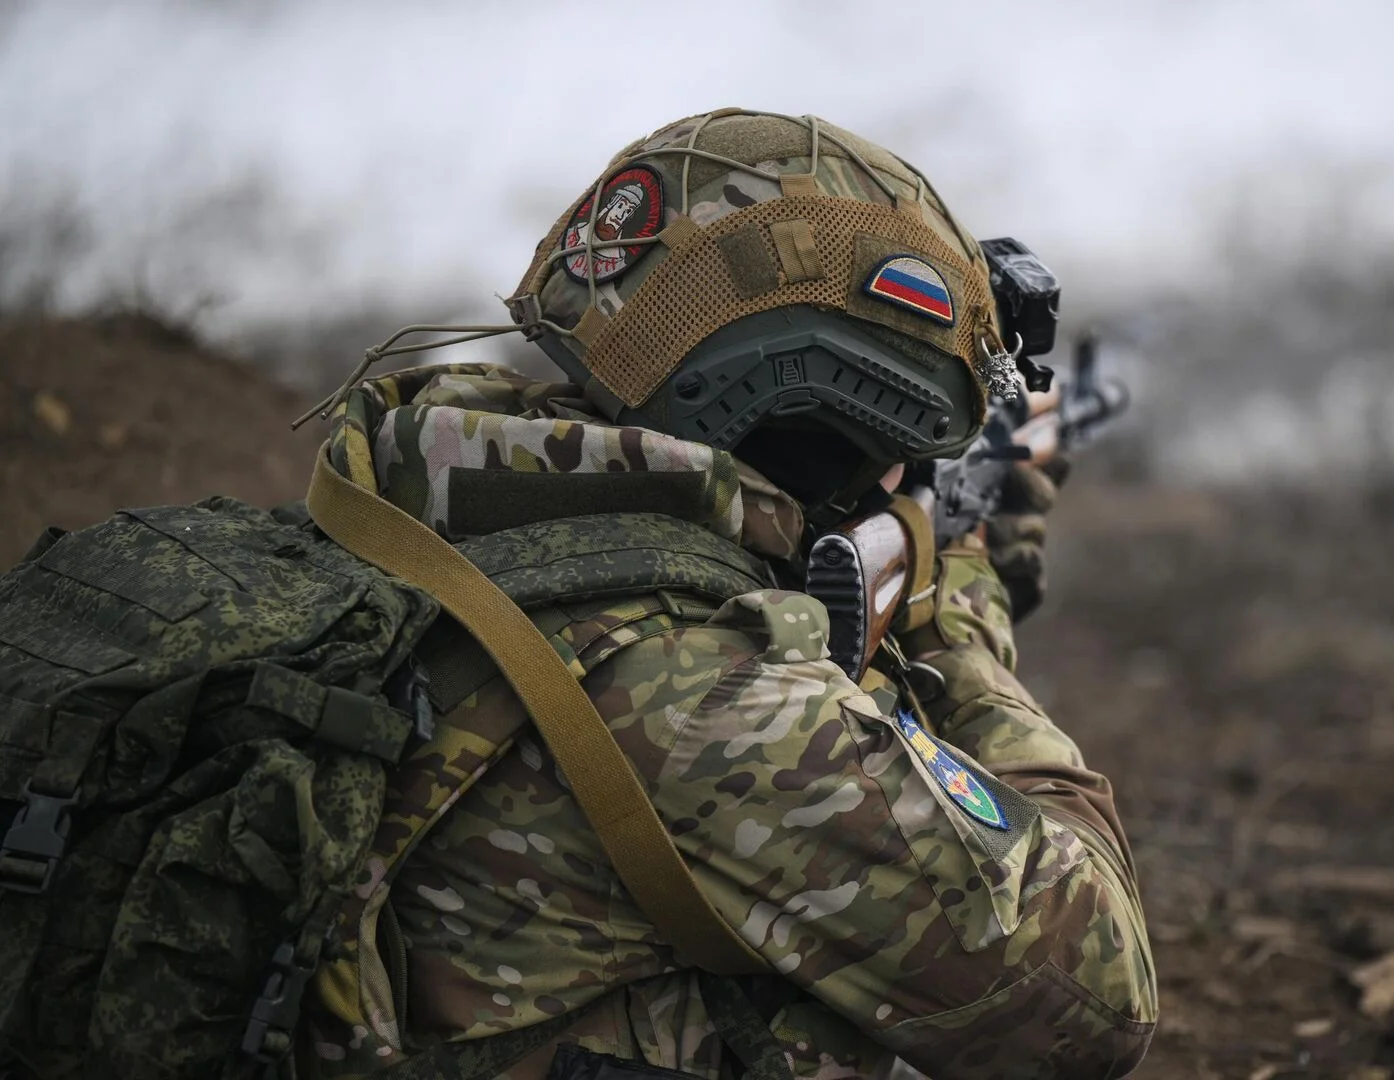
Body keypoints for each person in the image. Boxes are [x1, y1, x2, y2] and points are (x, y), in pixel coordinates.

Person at [295, 109, 1156, 1079]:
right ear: (843, 404)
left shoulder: (432, 497)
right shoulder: (714, 697)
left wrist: (932, 545)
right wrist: (956, 618)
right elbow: (1096, 1004)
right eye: (910, 452)